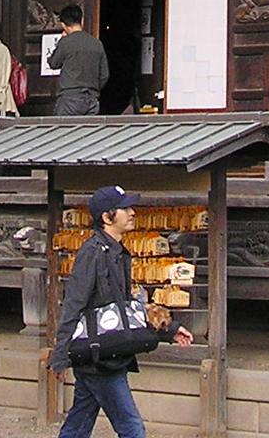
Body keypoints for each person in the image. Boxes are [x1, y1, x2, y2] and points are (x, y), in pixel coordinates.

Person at [49, 186, 192, 438]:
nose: (132, 213)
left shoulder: (119, 253)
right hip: (101, 358)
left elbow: (127, 309)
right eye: (125, 209)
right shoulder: (92, 253)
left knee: (78, 425)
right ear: (107, 217)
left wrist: (168, 330)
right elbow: (73, 303)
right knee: (132, 429)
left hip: (104, 352)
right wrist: (60, 354)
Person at [48, 4, 109, 117]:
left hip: (69, 97)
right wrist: (93, 88)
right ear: (82, 21)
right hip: (92, 98)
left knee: (62, 132)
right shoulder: (96, 43)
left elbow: (53, 63)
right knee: (88, 132)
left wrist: (61, 40)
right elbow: (104, 75)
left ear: (63, 25)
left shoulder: (66, 42)